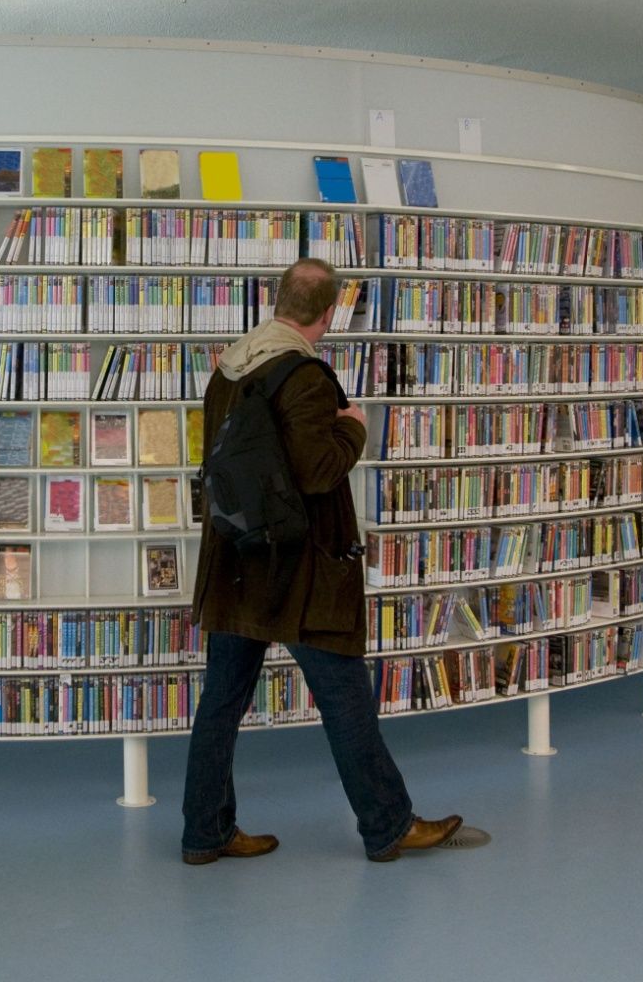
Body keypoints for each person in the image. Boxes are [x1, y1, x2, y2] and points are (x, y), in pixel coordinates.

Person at [180, 257, 464, 864]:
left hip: (236, 563)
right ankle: (388, 825)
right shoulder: (306, 377)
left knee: (221, 702)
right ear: (328, 314)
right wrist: (355, 429)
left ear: (279, 299)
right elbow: (318, 470)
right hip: (300, 571)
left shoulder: (230, 367)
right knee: (345, 700)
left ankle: (205, 832)